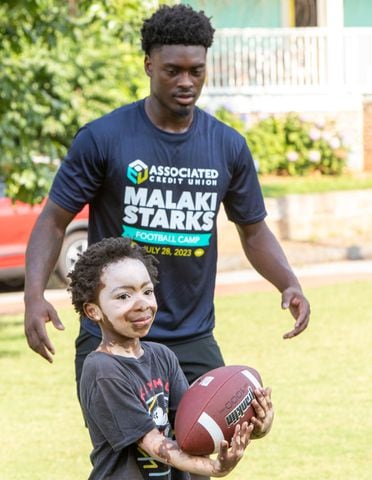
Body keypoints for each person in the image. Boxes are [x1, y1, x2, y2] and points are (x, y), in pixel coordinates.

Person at [24, 4, 310, 388]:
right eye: (172, 71)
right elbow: (53, 221)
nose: (186, 82)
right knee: (132, 449)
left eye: (196, 71)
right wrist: (33, 295)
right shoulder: (103, 138)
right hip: (113, 337)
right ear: (148, 66)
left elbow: (254, 232)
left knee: (214, 442)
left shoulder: (227, 146)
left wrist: (288, 282)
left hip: (193, 341)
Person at [68, 236, 274, 479]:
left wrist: (256, 425)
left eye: (147, 291)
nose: (141, 303)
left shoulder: (162, 356)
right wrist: (214, 468)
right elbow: (153, 442)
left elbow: (193, 426)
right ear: (93, 311)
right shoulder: (102, 369)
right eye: (123, 296)